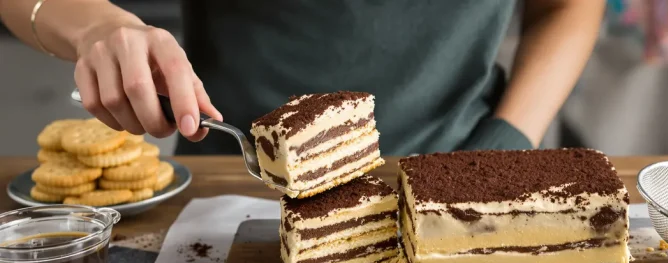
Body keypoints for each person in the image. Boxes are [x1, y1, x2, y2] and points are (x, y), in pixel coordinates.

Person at [0, 0, 604, 155]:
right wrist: (97, 27)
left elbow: (567, 7)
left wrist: (505, 144)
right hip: (235, 185)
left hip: (454, 154)